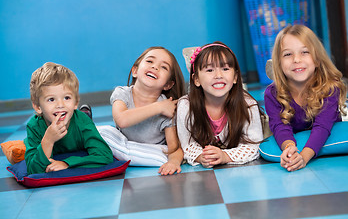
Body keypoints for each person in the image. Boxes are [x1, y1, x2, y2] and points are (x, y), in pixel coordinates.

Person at [264, 24, 347, 172]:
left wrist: (304, 157)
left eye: (305, 52)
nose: (297, 59)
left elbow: (322, 126)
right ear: (279, 63)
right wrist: (290, 149)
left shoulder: (329, 88)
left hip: (327, 124)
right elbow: (279, 126)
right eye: (288, 54)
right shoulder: (272, 94)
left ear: (317, 60)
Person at [98, 46, 185, 175]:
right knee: (102, 132)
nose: (155, 67)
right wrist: (159, 107)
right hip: (122, 142)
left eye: (164, 67)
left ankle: (125, 154)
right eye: (150, 61)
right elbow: (122, 120)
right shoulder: (122, 93)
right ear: (135, 71)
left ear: (168, 85)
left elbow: (174, 149)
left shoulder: (168, 110)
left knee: (162, 155)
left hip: (149, 151)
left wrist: (173, 162)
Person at [177, 41, 263, 167]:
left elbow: (254, 146)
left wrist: (224, 156)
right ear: (196, 79)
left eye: (225, 69)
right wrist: (202, 156)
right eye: (210, 69)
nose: (218, 75)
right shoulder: (186, 106)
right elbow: (186, 144)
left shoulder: (248, 105)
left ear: (235, 77)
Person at [24, 62, 113, 175]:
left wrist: (67, 163)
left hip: (81, 122)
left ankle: (85, 113)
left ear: (75, 102)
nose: (60, 105)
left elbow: (105, 156)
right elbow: (34, 169)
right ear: (38, 107)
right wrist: (48, 140)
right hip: (44, 137)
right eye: (51, 99)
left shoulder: (82, 122)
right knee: (21, 149)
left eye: (67, 98)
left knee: (87, 124)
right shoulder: (34, 126)